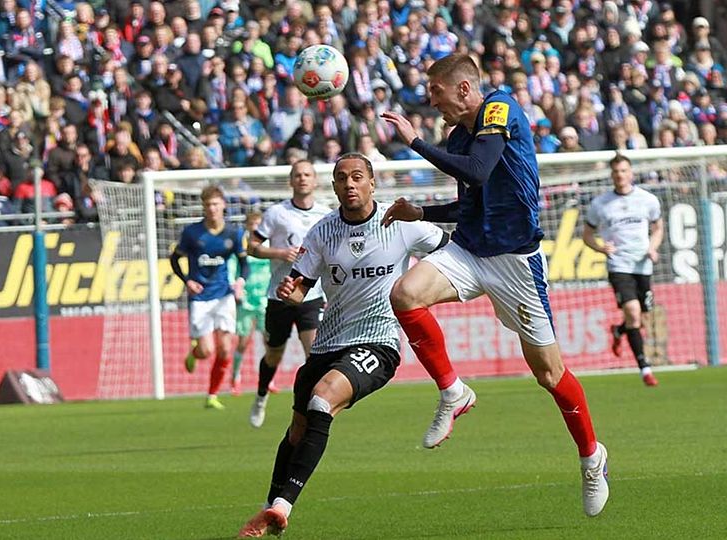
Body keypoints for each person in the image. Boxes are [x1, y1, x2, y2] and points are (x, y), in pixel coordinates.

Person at [380, 54, 609, 517]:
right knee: (404, 294)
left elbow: (479, 170)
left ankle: (591, 456)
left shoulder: (499, 108)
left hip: (514, 262)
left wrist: (415, 142)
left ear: (463, 89)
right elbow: (471, 201)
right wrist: (421, 213)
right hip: (469, 250)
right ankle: (453, 391)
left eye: (436, 93)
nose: (432, 101)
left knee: (548, 374)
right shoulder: (459, 135)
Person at [237, 153, 449, 538]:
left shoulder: (401, 225)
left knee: (322, 400)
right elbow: (300, 287)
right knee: (298, 428)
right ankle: (269, 511)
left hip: (379, 342)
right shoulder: (321, 232)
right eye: (341, 178)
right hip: (329, 342)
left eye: (356, 177)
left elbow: (452, 251)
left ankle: (283, 507)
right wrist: (291, 292)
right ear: (333, 186)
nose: (349, 184)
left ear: (372, 183)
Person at [245, 160, 332, 428]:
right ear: (291, 181)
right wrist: (280, 253)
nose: (302, 179)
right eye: (297, 175)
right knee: (274, 354)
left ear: (315, 180)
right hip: (279, 296)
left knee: (314, 354)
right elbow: (252, 247)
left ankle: (310, 409)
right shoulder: (276, 213)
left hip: (311, 295)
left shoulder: (326, 214)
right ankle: (261, 397)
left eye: (307, 174)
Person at [582, 155, 664, 387]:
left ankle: (619, 331)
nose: (620, 175)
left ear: (631, 173)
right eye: (616, 171)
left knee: (639, 318)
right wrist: (600, 247)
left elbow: (657, 228)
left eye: (624, 170)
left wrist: (653, 247)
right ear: (612, 174)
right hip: (619, 264)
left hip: (643, 264)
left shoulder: (647, 200)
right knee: (633, 311)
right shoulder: (600, 204)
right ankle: (645, 370)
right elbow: (587, 235)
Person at [169, 186, 249, 410]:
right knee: (206, 351)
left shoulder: (234, 233)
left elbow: (244, 263)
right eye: (208, 205)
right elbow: (174, 259)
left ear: (223, 205)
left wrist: (241, 281)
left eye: (216, 204)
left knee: (225, 349)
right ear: (204, 208)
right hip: (201, 299)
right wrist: (187, 281)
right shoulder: (192, 233)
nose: (212, 209)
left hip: (224, 296)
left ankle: (212, 394)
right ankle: (194, 353)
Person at [229, 211, 272, 396]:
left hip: (265, 298)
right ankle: (235, 377)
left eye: (258, 224)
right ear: (247, 226)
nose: (255, 227)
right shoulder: (241, 246)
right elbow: (233, 267)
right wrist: (235, 287)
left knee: (269, 341)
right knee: (243, 341)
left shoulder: (268, 246)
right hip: (246, 299)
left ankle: (269, 380)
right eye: (252, 224)